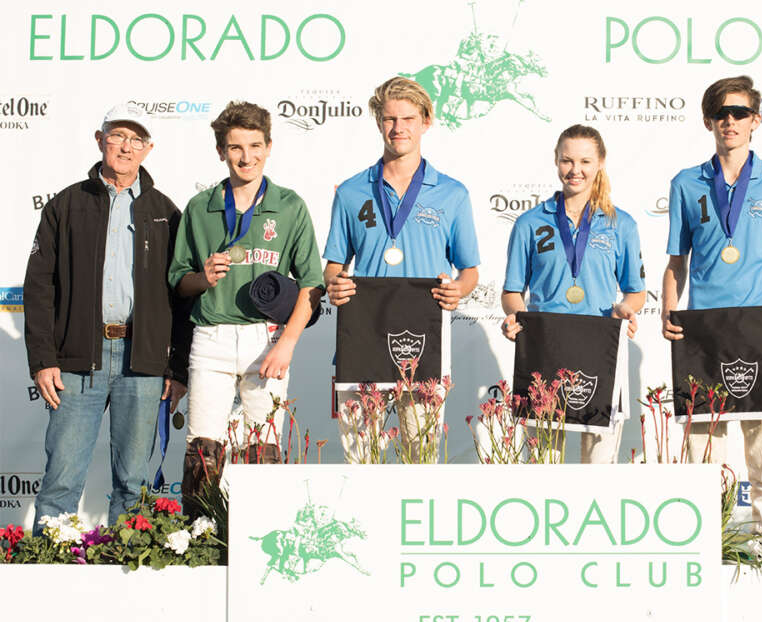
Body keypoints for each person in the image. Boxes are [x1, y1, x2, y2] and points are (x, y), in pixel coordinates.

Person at [24, 103, 189, 534]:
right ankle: (48, 575)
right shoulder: (66, 204)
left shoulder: (166, 211)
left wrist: (176, 368)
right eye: (118, 136)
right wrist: (43, 359)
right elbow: (40, 287)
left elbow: (183, 296)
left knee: (132, 485)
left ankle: (127, 580)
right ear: (100, 141)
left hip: (143, 362)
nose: (126, 146)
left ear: (148, 149)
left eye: (136, 139)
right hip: (78, 360)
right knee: (62, 480)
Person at [662, 76, 762, 537]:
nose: (730, 121)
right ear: (708, 121)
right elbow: (676, 262)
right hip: (703, 330)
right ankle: (710, 536)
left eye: (740, 112)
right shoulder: (686, 182)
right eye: (721, 113)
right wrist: (668, 309)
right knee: (705, 448)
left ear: (755, 120)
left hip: (759, 325)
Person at [169, 101, 324, 513]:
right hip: (211, 335)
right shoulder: (200, 206)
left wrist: (287, 344)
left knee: (264, 448)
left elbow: (312, 284)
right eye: (236, 147)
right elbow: (179, 283)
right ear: (221, 151)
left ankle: (262, 531)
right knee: (202, 448)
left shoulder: (289, 205)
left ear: (269, 146)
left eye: (255, 146)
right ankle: (200, 539)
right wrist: (203, 278)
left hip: (266, 338)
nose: (246, 157)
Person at [324, 77, 480, 463]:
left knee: (420, 459)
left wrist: (459, 289)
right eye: (390, 119)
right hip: (363, 336)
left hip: (422, 340)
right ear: (379, 123)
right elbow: (333, 267)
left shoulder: (452, 193)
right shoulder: (351, 191)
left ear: (426, 121)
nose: (399, 128)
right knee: (361, 459)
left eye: (408, 118)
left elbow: (470, 271)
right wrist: (334, 286)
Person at [501, 124, 646, 464]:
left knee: (598, 463)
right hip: (545, 350)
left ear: (600, 163)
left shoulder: (621, 224)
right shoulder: (529, 223)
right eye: (567, 160)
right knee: (544, 464)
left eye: (585, 161)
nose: (575, 170)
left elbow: (636, 293)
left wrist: (624, 309)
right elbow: (511, 291)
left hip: (600, 350)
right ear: (556, 161)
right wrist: (516, 318)